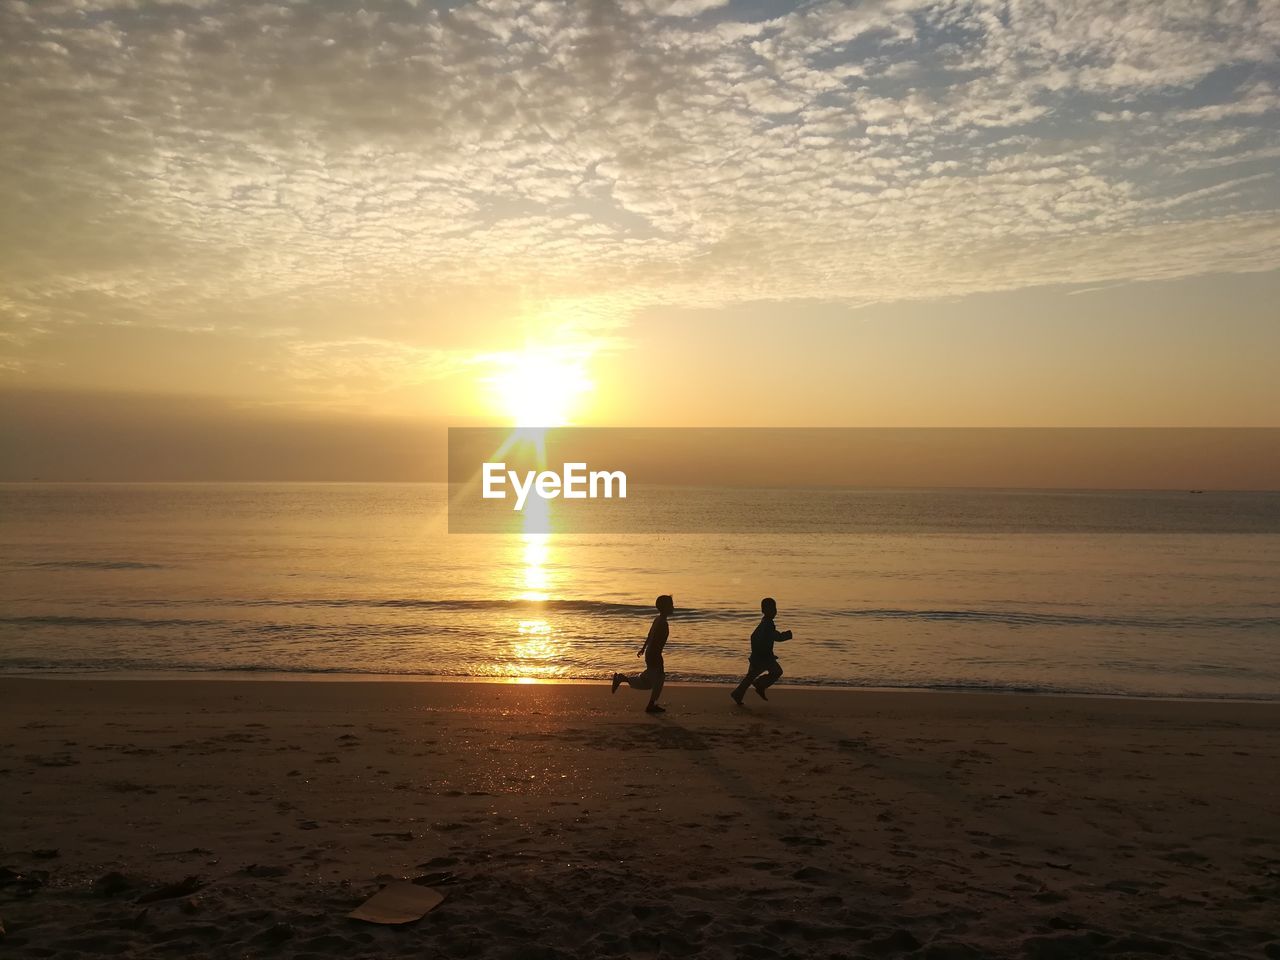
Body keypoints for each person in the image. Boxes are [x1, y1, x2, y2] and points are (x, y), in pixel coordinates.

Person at [611, 595, 674, 714]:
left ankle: (622, 678)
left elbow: (650, 635)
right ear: (665, 607)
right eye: (671, 605)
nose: (673, 607)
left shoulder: (658, 620)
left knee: (651, 680)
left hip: (651, 653)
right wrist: (654, 655)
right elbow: (654, 638)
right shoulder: (662, 623)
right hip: (654, 654)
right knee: (658, 679)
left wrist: (644, 649)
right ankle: (650, 705)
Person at [731, 597, 792, 705]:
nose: (774, 611)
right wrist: (786, 635)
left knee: (750, 676)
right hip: (763, 657)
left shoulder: (765, 622)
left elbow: (754, 636)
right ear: (764, 611)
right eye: (771, 609)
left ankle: (739, 693)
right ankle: (760, 684)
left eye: (775, 608)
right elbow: (775, 636)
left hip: (760, 656)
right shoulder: (767, 624)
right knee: (776, 672)